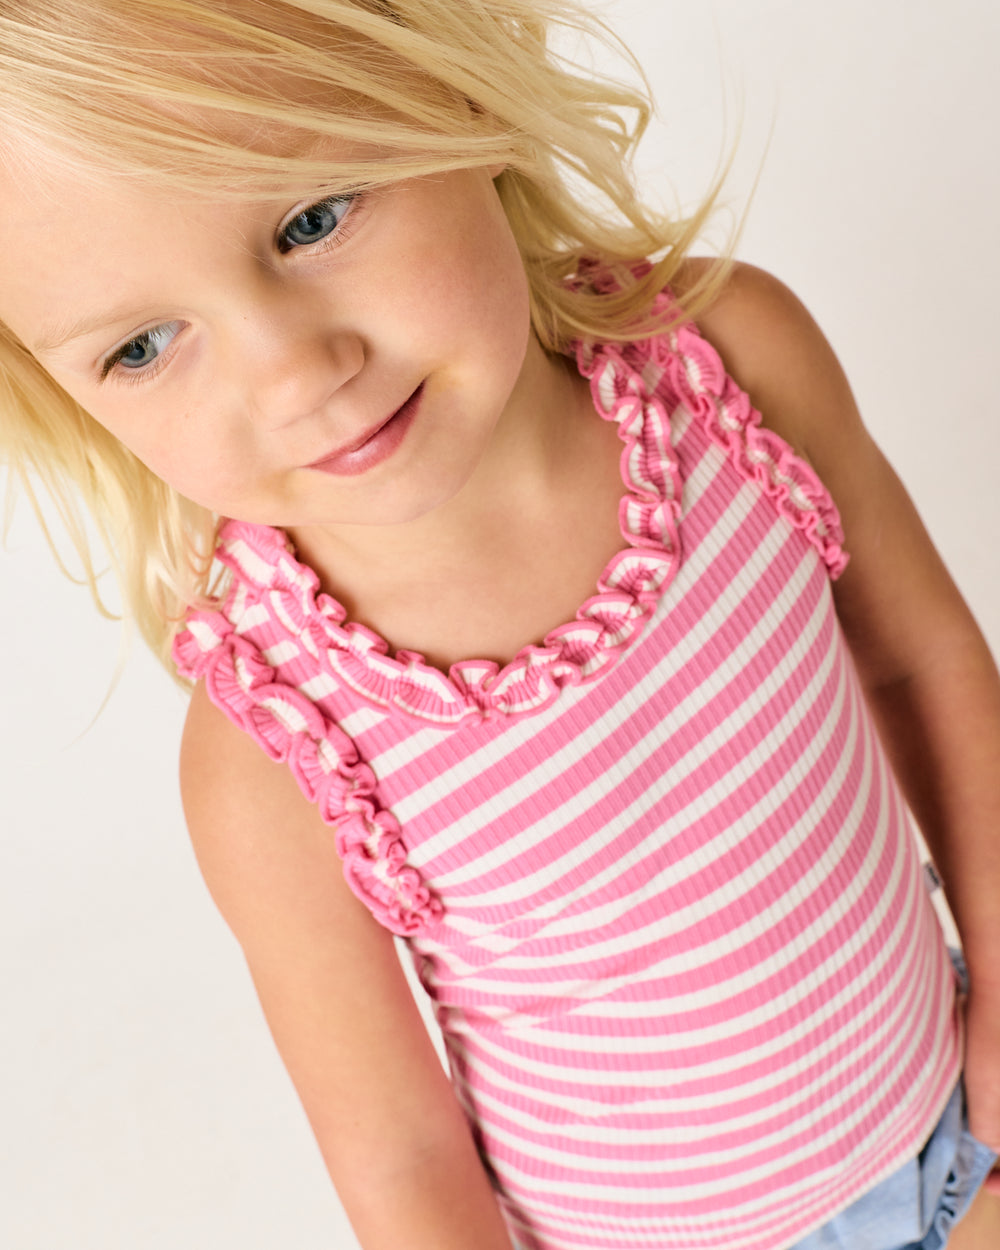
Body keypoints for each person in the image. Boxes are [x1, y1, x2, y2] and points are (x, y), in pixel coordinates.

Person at [1, 1, 998, 1247]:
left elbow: (921, 661)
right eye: (143, 345)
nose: (295, 374)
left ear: (454, 95)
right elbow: (405, 1160)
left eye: (312, 217)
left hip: (960, 1114)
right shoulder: (275, 746)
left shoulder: (731, 366)